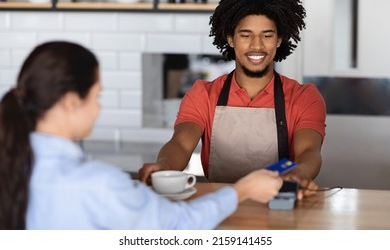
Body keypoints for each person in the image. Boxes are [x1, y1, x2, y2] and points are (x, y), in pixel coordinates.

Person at [0, 41, 282, 230]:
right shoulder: (98, 184)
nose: (99, 107)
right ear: (71, 102)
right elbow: (177, 227)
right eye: (97, 96)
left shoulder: (11, 166)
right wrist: (243, 190)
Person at [139, 0, 326, 195]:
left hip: (279, 204)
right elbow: (181, 144)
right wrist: (164, 167)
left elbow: (309, 151)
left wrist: (300, 173)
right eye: (246, 35)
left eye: (267, 35)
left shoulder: (304, 97)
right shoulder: (203, 94)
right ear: (231, 38)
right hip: (220, 206)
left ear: (279, 40)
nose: (257, 45)